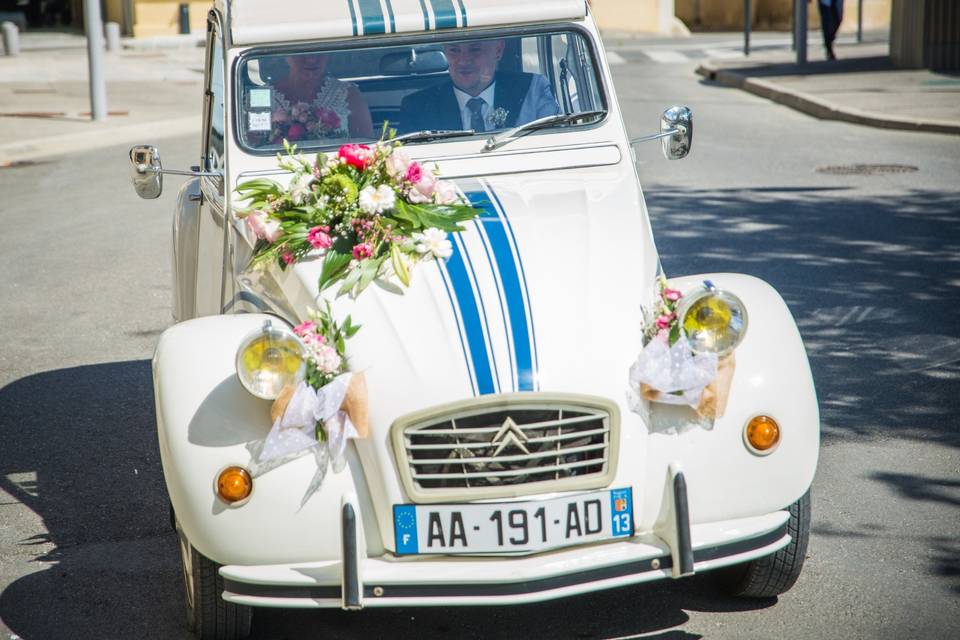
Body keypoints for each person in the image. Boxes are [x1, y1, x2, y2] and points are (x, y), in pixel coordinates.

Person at [399, 39, 561, 134]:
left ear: (498, 50)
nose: (463, 61)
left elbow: (555, 142)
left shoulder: (532, 90)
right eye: (454, 50)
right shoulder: (418, 107)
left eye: (475, 49)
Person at [267, 53, 374, 142]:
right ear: (286, 56)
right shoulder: (263, 96)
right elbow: (254, 143)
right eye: (301, 51)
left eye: (319, 52)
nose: (311, 59)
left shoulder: (348, 93)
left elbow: (365, 146)